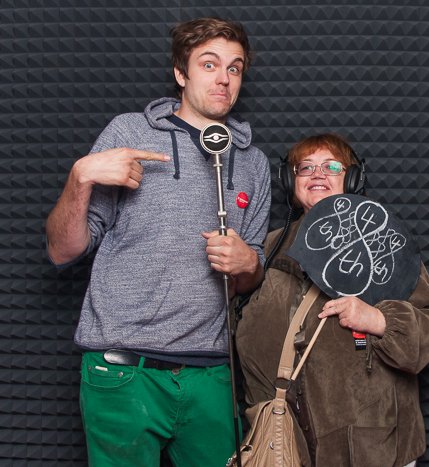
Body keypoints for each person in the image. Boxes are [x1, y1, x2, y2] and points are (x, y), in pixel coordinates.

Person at [45, 17, 270, 467]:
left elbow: (250, 276)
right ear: (180, 73)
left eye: (234, 67)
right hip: (125, 371)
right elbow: (62, 250)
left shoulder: (253, 161)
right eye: (209, 64)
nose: (224, 78)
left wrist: (249, 262)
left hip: (211, 372)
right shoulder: (129, 133)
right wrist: (80, 176)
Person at [235, 133, 429, 466]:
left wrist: (378, 320)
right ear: (291, 181)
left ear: (351, 179)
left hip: (367, 445)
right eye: (306, 167)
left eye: (331, 167)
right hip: (284, 441)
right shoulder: (271, 245)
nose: (317, 174)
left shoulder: (381, 240)